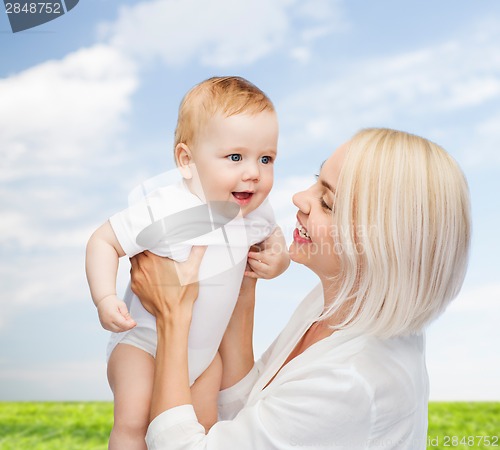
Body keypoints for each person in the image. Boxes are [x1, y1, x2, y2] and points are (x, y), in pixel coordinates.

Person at [129, 127, 471, 449]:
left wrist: (173, 316)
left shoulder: (352, 381)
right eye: (316, 182)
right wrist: (244, 286)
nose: (299, 198)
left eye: (327, 203)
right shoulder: (344, 301)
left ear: (384, 246)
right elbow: (251, 408)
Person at [85, 76, 290, 449]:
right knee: (134, 421)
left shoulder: (255, 211)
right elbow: (103, 240)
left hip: (205, 355)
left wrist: (279, 260)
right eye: (235, 157)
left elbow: (273, 237)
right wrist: (103, 298)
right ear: (187, 161)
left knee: (203, 429)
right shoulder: (167, 207)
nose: (253, 172)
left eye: (266, 158)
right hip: (144, 344)